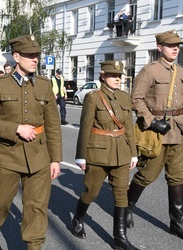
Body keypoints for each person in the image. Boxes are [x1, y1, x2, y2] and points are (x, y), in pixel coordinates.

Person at [0, 34, 62, 250]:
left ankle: (34, 245)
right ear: (16, 57)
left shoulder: (44, 85)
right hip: (7, 155)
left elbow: (53, 125)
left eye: (36, 55)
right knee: (0, 203)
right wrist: (15, 128)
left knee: (37, 207)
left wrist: (56, 160)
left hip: (39, 157)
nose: (35, 59)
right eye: (29, 55)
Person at [126, 30, 183, 242]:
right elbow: (136, 99)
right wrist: (152, 121)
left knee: (177, 178)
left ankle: (177, 224)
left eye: (178, 45)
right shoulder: (150, 71)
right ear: (160, 47)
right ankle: (127, 208)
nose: (175, 48)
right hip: (155, 134)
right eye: (170, 45)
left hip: (179, 133)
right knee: (146, 175)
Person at [70, 61, 139, 250]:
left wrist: (134, 153)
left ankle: (120, 238)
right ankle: (78, 218)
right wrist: (81, 156)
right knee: (91, 191)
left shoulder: (125, 97)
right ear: (103, 76)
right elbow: (85, 127)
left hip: (121, 153)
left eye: (119, 76)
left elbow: (129, 129)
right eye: (113, 75)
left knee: (121, 194)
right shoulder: (94, 97)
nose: (117, 79)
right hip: (98, 152)